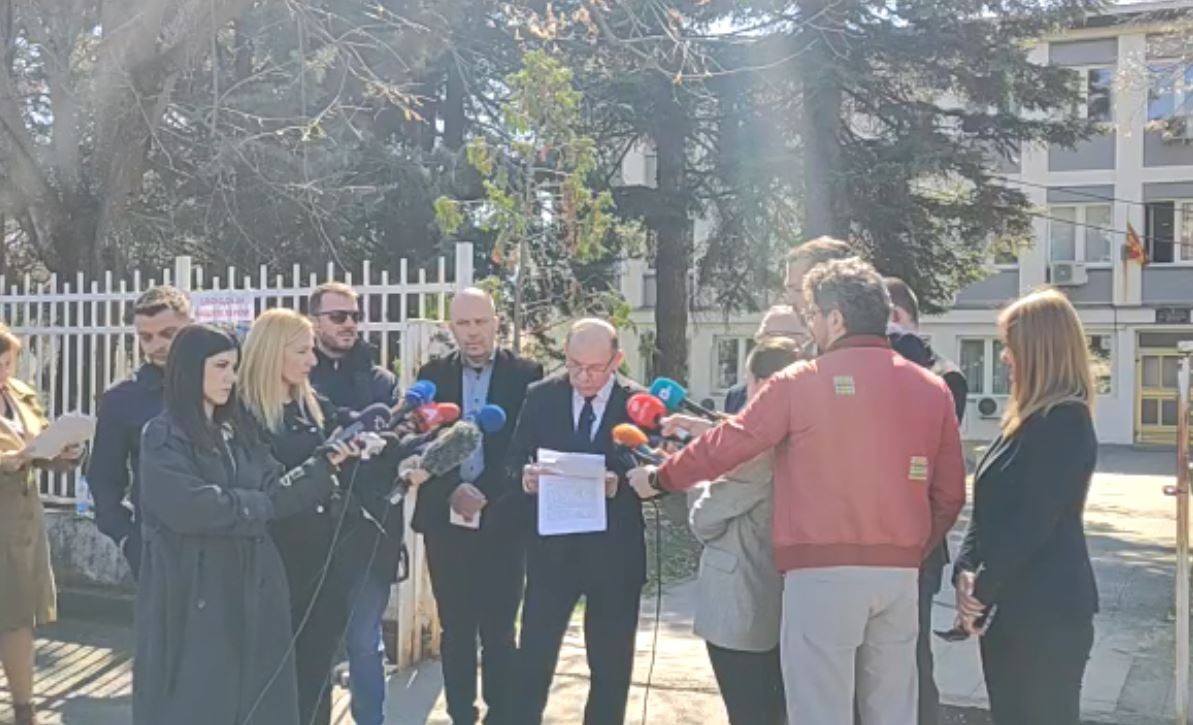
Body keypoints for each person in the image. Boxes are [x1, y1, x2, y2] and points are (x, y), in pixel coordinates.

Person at [629, 256, 966, 725]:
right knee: (893, 710)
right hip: (898, 575)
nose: (809, 327)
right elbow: (949, 493)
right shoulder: (932, 387)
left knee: (819, 709)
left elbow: (732, 443)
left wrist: (661, 478)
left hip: (820, 574)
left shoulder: (801, 381)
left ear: (836, 318)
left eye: (811, 315)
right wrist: (910, 549)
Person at [133, 324, 359, 725]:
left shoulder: (237, 431)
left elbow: (277, 491)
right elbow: (191, 506)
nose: (230, 378)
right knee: (198, 698)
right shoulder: (163, 435)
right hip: (196, 588)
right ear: (191, 369)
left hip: (254, 582)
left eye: (234, 367)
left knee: (260, 697)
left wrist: (323, 465)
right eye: (220, 366)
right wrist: (255, 506)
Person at [954, 288, 1099, 725]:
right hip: (1010, 611)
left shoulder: (1066, 422)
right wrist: (965, 567)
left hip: (1048, 615)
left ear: (1040, 349)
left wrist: (981, 591)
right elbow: (987, 507)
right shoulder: (1022, 421)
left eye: (1009, 345)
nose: (1004, 357)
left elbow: (1033, 522)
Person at [412, 288, 543, 725]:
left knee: (500, 630)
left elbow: (524, 445)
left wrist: (483, 493)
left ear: (496, 323)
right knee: (456, 629)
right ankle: (460, 713)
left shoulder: (526, 375)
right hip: (445, 523)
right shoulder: (431, 375)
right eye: (463, 324)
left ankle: (501, 714)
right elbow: (424, 443)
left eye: (480, 322)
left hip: (502, 519)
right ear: (451, 327)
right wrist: (452, 489)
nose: (472, 332)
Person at [513, 319, 643, 725]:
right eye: (574, 366)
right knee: (532, 662)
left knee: (610, 669)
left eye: (594, 368)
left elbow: (661, 472)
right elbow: (514, 456)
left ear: (616, 361)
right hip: (552, 555)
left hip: (614, 557)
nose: (583, 377)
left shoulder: (638, 404)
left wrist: (620, 483)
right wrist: (525, 477)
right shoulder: (541, 396)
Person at [240, 308, 357, 725]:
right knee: (272, 678)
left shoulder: (312, 404)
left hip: (322, 559)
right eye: (302, 351)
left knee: (316, 674)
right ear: (273, 352)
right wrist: (323, 465)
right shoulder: (244, 415)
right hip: (273, 560)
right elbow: (268, 490)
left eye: (312, 350)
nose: (312, 359)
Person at [687, 338, 800, 725]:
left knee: (749, 713)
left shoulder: (757, 454)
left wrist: (699, 479)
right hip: (786, 600)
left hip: (743, 605)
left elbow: (703, 519)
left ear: (761, 384)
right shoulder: (804, 438)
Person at [307, 282, 403, 725]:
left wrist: (386, 445)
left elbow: (400, 439)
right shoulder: (300, 377)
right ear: (314, 322)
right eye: (338, 316)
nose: (349, 324)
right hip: (310, 532)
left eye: (355, 316)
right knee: (314, 641)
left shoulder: (382, 380)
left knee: (365, 641)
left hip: (368, 531)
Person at [884, 276, 968, 725]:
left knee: (911, 661)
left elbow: (935, 468)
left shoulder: (943, 375)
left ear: (895, 317)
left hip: (919, 544)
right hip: (876, 540)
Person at [0, 326, 85, 725]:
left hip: (20, 524)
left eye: (7, 362)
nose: (3, 371)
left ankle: (24, 708)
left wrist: (62, 452)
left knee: (19, 615)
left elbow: (39, 443)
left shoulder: (19, 393)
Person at [89, 286, 191, 577]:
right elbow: (103, 478)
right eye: (146, 337)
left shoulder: (223, 386)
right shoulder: (122, 399)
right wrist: (127, 539)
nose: (157, 345)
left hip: (227, 541)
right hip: (157, 545)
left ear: (190, 326)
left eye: (168, 334)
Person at [723, 305, 806, 414]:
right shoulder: (736, 396)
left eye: (768, 335)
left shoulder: (814, 393)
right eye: (760, 337)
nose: (761, 343)